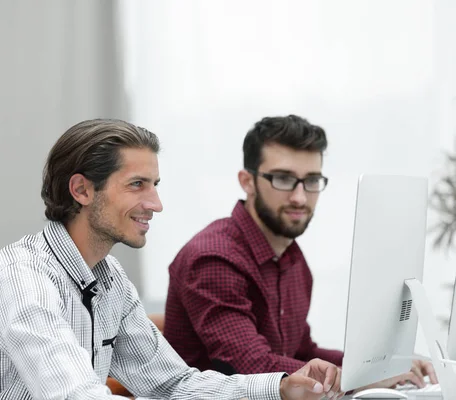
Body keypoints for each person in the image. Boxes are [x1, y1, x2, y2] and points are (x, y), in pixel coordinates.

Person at [0, 118, 344, 400]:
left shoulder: (109, 279)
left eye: (154, 185)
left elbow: (172, 385)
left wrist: (279, 387)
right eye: (137, 185)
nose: (155, 204)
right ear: (82, 190)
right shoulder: (23, 279)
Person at [163, 115, 437, 389]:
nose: (300, 197)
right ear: (247, 181)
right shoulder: (213, 258)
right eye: (283, 179)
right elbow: (254, 367)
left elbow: (300, 352)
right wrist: (366, 378)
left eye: (311, 181)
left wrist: (390, 364)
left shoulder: (292, 258)